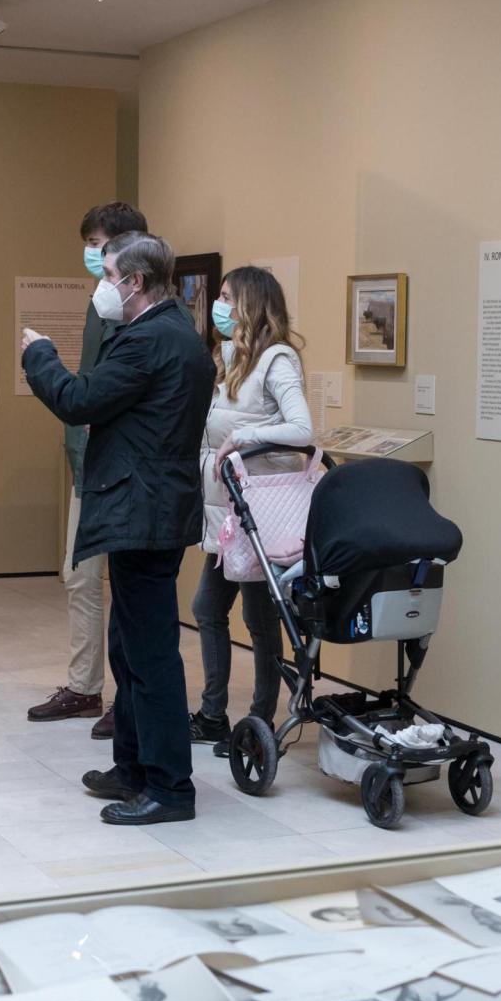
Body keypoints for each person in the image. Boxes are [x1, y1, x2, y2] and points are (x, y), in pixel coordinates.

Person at [22, 231, 214, 826]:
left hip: (143, 511)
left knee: (149, 656)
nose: (102, 286)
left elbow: (78, 400)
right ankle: (132, 767)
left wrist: (40, 355)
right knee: (129, 648)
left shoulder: (149, 339)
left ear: (135, 281)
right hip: (151, 508)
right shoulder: (175, 331)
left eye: (108, 276)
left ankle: (170, 788)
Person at [25, 202, 148, 738]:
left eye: (97, 244)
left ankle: (130, 698)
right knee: (80, 578)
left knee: (131, 589)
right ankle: (84, 686)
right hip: (89, 462)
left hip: (124, 470)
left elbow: (103, 392)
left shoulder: (145, 315)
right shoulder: (101, 301)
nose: (90, 253)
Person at [186, 267, 311, 755]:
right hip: (229, 514)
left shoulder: (277, 360)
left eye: (226, 297)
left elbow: (302, 429)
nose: (218, 305)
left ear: (250, 305)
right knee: (207, 608)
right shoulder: (228, 359)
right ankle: (213, 715)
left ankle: (260, 721)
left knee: (259, 618)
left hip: (261, 515)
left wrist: (245, 437)